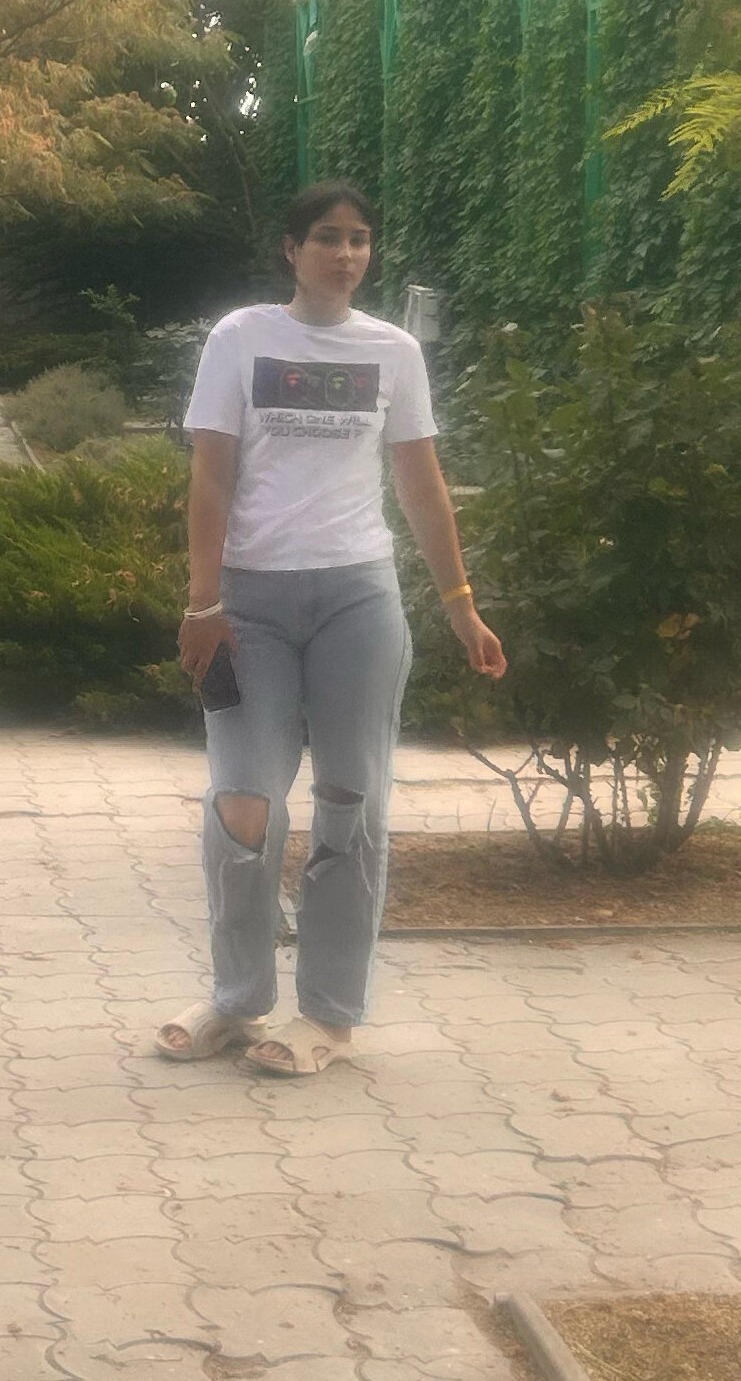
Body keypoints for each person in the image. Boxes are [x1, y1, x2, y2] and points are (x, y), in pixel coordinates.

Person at [157, 180, 507, 1077]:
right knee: (243, 802)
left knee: (352, 804)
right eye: (326, 237)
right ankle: (238, 1001)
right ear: (291, 248)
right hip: (250, 605)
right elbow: (211, 477)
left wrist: (460, 603)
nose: (345, 254)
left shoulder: (393, 352)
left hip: (359, 600)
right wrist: (203, 602)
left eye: (359, 239)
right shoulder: (241, 338)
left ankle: (328, 1018)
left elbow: (421, 485)